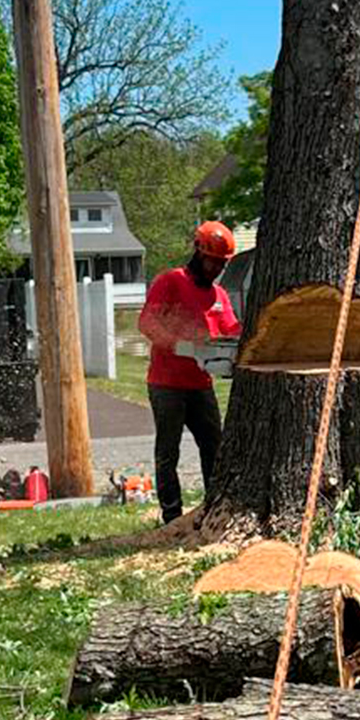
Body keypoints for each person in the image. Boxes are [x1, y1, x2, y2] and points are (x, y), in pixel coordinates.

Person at [139, 221, 242, 522]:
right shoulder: (171, 281)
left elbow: (231, 330)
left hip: (200, 383)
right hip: (166, 383)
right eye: (212, 261)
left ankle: (213, 506)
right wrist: (177, 344)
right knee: (168, 451)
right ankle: (172, 514)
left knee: (215, 446)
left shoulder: (219, 296)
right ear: (199, 253)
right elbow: (147, 322)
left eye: (221, 264)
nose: (215, 269)